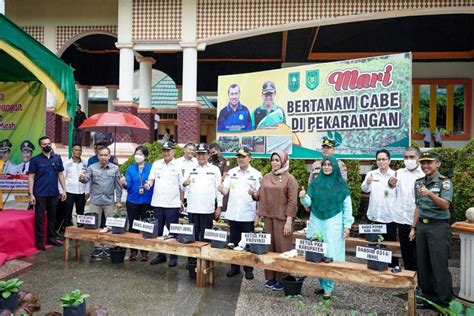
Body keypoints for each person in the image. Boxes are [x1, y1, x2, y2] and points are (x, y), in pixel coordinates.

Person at [299, 156, 354, 300]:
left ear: (335, 167)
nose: (327, 167)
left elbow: (347, 207)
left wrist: (347, 225)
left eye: (330, 165)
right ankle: (323, 284)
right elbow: (309, 201)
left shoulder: (341, 185)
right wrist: (303, 197)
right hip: (316, 221)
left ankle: (328, 288)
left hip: (333, 223)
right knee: (316, 252)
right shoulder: (316, 183)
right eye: (324, 164)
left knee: (330, 253)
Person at [409, 151, 453, 308]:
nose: (425, 165)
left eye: (429, 162)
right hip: (422, 227)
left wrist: (429, 194)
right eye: (423, 162)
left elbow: (446, 205)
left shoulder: (444, 182)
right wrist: (413, 227)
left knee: (439, 265)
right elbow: (418, 207)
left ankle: (445, 301)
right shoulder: (418, 182)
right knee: (423, 264)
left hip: (438, 227)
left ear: (438, 164)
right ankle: (429, 298)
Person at [249, 151, 298, 291]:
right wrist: (254, 194)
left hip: (283, 219)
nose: (274, 162)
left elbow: (292, 202)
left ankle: (283, 278)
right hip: (268, 217)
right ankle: (270, 277)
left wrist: (289, 221)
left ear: (283, 161)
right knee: (269, 248)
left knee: (283, 249)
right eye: (273, 160)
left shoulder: (290, 179)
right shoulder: (266, 177)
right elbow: (260, 195)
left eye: (277, 160)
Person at [218, 147, 262, 280]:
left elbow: (259, 196)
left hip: (248, 214)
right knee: (234, 242)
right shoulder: (231, 172)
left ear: (250, 157)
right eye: (239, 157)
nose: (241, 159)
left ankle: (248, 269)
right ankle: (234, 267)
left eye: (243, 157)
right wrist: (220, 188)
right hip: (233, 213)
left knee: (247, 243)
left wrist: (258, 214)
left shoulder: (256, 174)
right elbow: (225, 191)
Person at [79, 147, 122, 258]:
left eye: (105, 155)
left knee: (110, 225)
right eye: (101, 155)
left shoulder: (115, 168)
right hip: (95, 201)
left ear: (109, 156)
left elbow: (118, 186)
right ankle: (97, 247)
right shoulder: (92, 167)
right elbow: (86, 179)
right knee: (95, 226)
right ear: (98, 156)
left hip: (109, 201)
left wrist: (118, 200)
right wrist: (82, 178)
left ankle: (108, 247)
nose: (103, 157)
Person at [145, 141, 183, 267]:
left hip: (172, 204)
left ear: (174, 151)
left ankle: (173, 256)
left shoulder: (178, 165)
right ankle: (161, 255)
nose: (166, 153)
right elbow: (151, 179)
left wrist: (181, 202)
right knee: (159, 231)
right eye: (164, 150)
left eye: (169, 150)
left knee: (173, 232)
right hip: (158, 202)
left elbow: (182, 185)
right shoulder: (157, 164)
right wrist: (148, 184)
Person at [182, 143, 222, 262]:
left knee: (206, 238)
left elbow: (218, 189)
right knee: (192, 237)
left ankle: (205, 261)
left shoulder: (214, 169)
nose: (201, 156)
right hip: (193, 208)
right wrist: (184, 184)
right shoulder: (190, 169)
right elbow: (183, 187)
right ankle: (192, 262)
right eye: (199, 154)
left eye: (203, 154)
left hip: (207, 209)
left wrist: (219, 206)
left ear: (208, 155)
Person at [388, 147, 424, 272]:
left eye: (412, 157)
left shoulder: (423, 174)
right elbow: (392, 187)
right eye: (406, 157)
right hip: (402, 219)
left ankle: (422, 283)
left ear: (418, 158)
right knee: (407, 254)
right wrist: (391, 183)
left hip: (418, 220)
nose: (408, 160)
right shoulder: (399, 172)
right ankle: (410, 283)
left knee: (420, 254)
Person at [28, 136, 67, 250]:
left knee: (52, 217)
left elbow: (60, 174)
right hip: (40, 193)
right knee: (39, 218)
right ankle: (39, 241)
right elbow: (31, 177)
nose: (47, 146)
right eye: (44, 144)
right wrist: (31, 194)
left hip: (54, 193)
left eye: (48, 143)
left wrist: (64, 190)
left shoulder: (57, 158)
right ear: (40, 146)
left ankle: (51, 238)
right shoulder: (35, 160)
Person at [361, 149, 398, 267]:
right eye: (379, 159)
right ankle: (376, 267)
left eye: (384, 159)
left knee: (390, 246)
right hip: (374, 217)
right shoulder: (371, 174)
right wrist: (367, 182)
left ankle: (392, 268)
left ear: (389, 160)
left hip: (389, 218)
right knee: (374, 246)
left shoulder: (395, 175)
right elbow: (364, 189)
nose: (381, 162)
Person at [121, 146, 153, 262]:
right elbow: (128, 186)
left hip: (147, 201)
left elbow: (153, 182)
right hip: (132, 201)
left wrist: (149, 185)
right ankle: (133, 251)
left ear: (146, 156)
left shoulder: (151, 168)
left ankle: (145, 252)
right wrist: (124, 183)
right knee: (133, 226)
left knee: (146, 227)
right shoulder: (130, 169)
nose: (137, 156)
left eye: (140, 154)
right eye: (136, 154)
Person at [64, 144, 89, 228]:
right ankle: (68, 229)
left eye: (80, 150)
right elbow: (62, 178)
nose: (78, 152)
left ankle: (80, 229)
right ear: (72, 151)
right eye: (76, 150)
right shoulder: (67, 163)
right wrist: (62, 191)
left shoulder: (85, 163)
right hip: (69, 191)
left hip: (81, 192)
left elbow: (88, 179)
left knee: (80, 212)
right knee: (67, 212)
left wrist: (87, 191)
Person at [209, 143, 231, 213]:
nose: (212, 154)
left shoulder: (225, 161)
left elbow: (224, 176)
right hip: (211, 188)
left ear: (218, 151)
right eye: (211, 153)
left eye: (213, 152)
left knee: (221, 209)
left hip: (221, 188)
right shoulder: (210, 161)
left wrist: (217, 181)